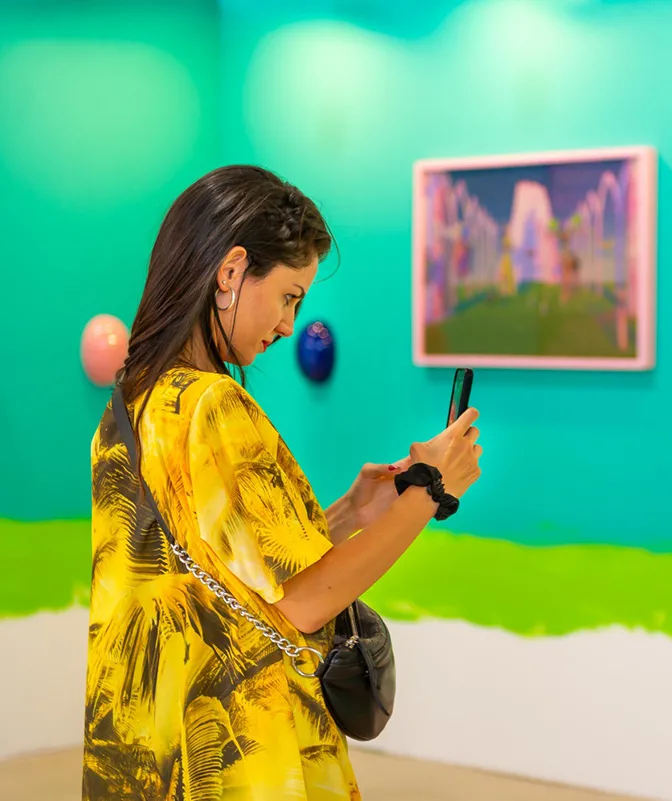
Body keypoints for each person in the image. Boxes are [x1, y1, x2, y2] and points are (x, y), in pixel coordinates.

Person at [83, 165, 483, 800]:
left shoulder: (132, 403)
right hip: (234, 752)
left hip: (147, 742)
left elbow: (223, 573)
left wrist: (350, 513)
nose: (291, 324)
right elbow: (303, 603)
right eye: (290, 297)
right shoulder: (215, 405)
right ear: (232, 272)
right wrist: (429, 491)